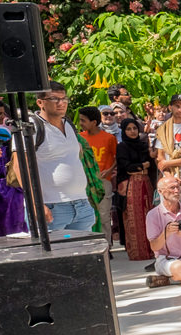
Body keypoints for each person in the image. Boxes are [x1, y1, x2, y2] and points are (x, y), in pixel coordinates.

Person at [22, 83, 96, 232]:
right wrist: (36, 204)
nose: (61, 103)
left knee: (84, 254)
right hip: (51, 207)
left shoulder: (68, 123)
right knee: (54, 254)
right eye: (54, 99)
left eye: (64, 99)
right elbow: (20, 166)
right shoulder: (32, 126)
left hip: (81, 205)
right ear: (40, 102)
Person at [114, 117, 156, 258]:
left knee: (148, 216)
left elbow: (150, 164)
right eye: (128, 129)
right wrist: (142, 166)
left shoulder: (144, 145)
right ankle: (137, 253)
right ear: (124, 131)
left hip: (146, 184)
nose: (132, 132)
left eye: (134, 128)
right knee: (134, 218)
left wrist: (140, 167)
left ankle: (152, 251)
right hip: (130, 186)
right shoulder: (122, 147)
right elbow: (127, 168)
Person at [77, 106, 117, 246]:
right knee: (90, 216)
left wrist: (110, 169)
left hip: (102, 181)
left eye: (83, 120)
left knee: (104, 215)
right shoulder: (80, 138)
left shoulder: (109, 138)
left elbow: (117, 157)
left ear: (93, 122)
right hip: (85, 182)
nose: (81, 123)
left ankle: (106, 246)